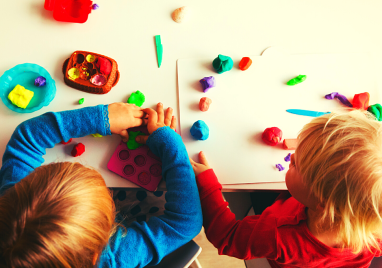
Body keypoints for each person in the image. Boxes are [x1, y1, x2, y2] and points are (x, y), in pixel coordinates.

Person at [0, 102, 202, 268]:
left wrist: (101, 118)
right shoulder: (112, 259)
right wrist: (171, 144)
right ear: (98, 250)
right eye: (107, 201)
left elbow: (26, 138)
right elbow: (185, 223)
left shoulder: (12, 204)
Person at [190, 110, 382, 268]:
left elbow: (227, 237)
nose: (291, 157)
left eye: (297, 165)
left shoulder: (278, 235)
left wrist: (206, 182)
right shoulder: (375, 225)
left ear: (322, 202)